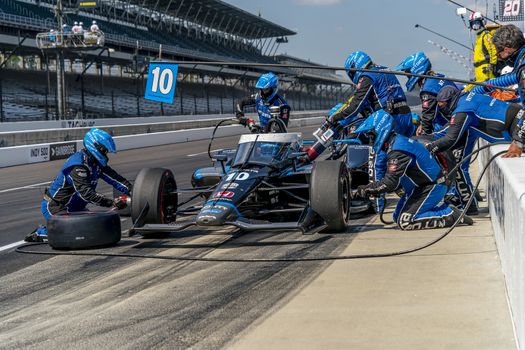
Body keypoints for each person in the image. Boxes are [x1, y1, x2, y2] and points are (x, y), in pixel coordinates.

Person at [353, 110, 473, 230]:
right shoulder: (397, 141)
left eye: (372, 136)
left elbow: (390, 183)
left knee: (406, 222)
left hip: (432, 186)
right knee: (397, 217)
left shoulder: (397, 151)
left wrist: (367, 189)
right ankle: (441, 208)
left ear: (381, 130)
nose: (371, 140)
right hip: (420, 187)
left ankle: (450, 215)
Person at [25, 128, 132, 242]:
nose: (106, 154)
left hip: (76, 208)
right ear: (95, 146)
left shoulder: (96, 163)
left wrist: (133, 190)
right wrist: (111, 202)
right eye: (104, 151)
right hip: (56, 206)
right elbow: (87, 194)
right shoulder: (77, 166)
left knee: (96, 228)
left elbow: (115, 179)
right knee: (77, 234)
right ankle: (41, 233)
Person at [426, 86, 525, 159]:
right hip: (519, 114)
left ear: (450, 100)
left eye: (442, 105)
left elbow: (450, 138)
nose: (442, 109)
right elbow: (452, 126)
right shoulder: (469, 95)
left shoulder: (462, 111)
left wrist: (429, 148)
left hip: (515, 128)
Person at [395, 51, 458, 135]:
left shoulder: (428, 89)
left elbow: (428, 116)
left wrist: (423, 132)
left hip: (452, 124)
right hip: (457, 118)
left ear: (416, 69)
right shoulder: (438, 77)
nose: (408, 77)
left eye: (408, 74)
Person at [470, 25, 525, 103]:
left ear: (507, 50)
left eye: (499, 54)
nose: (500, 58)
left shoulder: (523, 69)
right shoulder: (521, 64)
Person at [469, 12, 498, 83]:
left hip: (485, 68)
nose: (475, 26)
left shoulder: (486, 35)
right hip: (478, 69)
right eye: (472, 24)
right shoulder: (479, 37)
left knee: (488, 89)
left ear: (482, 22)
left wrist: (492, 65)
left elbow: (493, 50)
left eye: (477, 23)